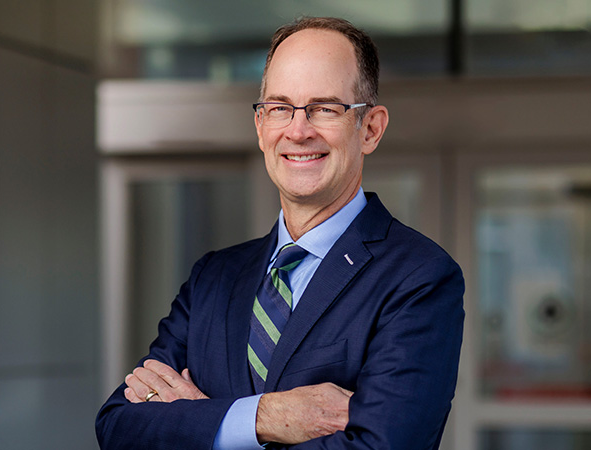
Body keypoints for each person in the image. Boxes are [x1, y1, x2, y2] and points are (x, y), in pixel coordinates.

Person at [96, 17, 464, 450]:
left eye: (325, 108)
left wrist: (202, 424)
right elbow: (119, 428)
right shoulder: (213, 278)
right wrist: (266, 417)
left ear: (370, 129)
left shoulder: (419, 278)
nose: (298, 130)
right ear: (260, 126)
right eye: (280, 107)